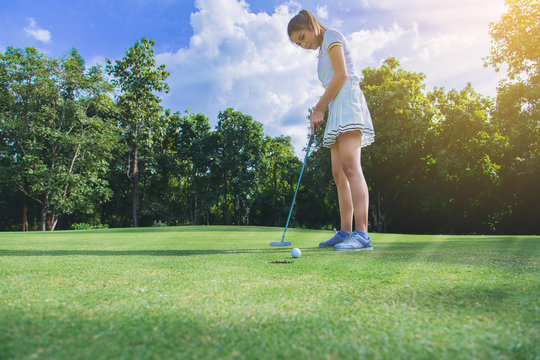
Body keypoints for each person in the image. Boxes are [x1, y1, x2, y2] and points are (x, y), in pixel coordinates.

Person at [287, 10, 375, 251]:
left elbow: (342, 75)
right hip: (337, 105)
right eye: (298, 43)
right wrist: (323, 109)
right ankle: (346, 231)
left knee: (350, 166)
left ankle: (363, 234)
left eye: (302, 37)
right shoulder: (321, 51)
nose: (303, 45)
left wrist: (318, 108)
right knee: (338, 174)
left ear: (311, 25)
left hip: (347, 100)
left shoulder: (332, 35)